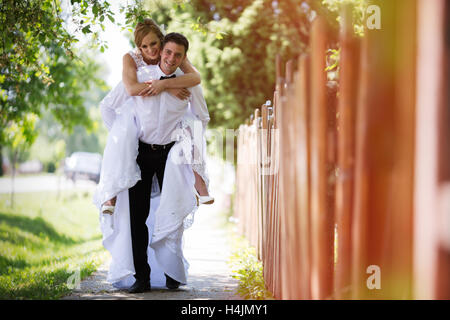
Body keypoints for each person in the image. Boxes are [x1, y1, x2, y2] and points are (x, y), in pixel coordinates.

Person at [93, 21, 212, 293]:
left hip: (172, 153)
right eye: (146, 47)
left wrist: (186, 136)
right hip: (141, 152)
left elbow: (201, 115)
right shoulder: (138, 75)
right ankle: (141, 277)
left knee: (171, 212)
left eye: (156, 45)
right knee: (137, 216)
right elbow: (108, 108)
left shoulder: (185, 79)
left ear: (163, 44)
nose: (163, 55)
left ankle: (172, 274)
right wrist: (126, 135)